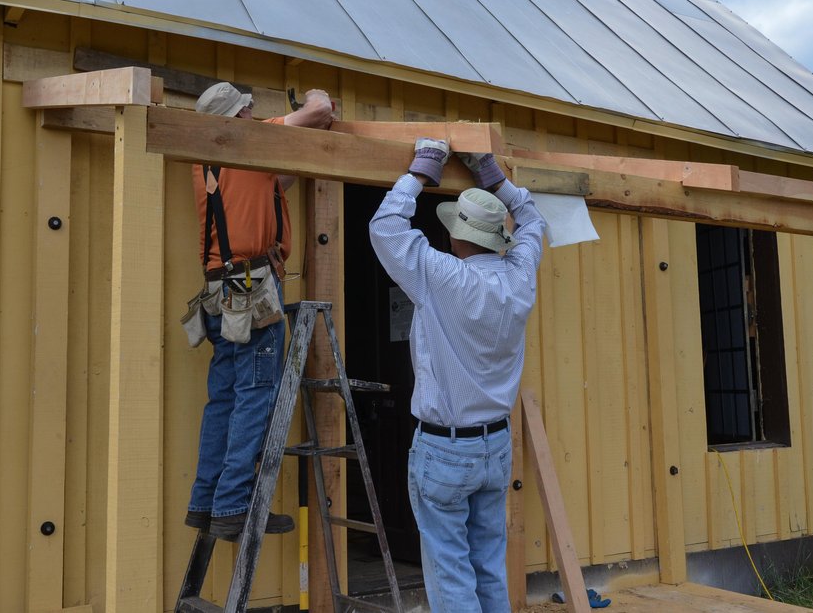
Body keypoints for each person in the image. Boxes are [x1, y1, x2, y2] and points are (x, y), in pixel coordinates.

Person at [368, 140, 545, 612]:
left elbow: (385, 227)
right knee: (488, 563)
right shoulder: (518, 277)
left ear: (455, 237)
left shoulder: (442, 276)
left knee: (450, 573)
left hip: (445, 447)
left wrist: (421, 172)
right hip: (496, 445)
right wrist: (497, 179)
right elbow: (532, 222)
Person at [183, 81, 333, 541]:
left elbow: (274, 183)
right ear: (242, 115)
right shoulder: (248, 140)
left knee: (224, 399)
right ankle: (233, 505)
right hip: (251, 292)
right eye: (250, 110)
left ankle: (207, 502)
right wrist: (312, 96)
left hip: (220, 292)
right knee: (254, 395)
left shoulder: (210, 160)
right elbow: (321, 108)